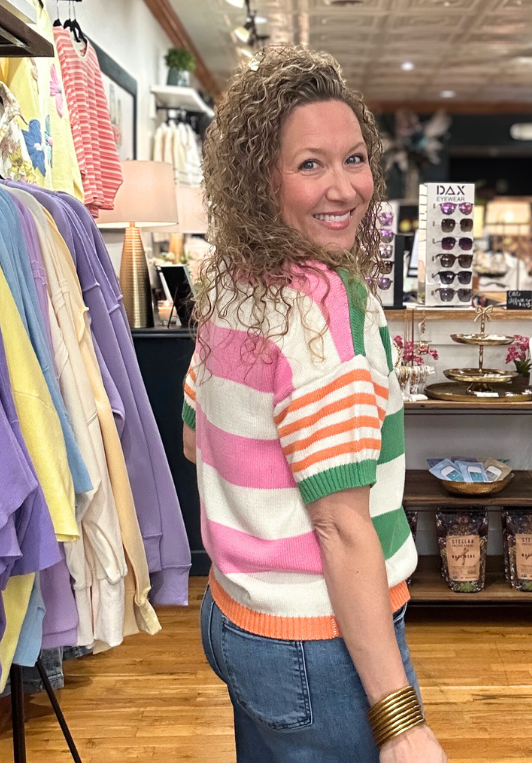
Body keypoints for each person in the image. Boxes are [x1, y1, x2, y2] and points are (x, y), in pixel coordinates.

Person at [182, 45, 447, 763]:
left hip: (235, 615)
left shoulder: (232, 280)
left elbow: (194, 438)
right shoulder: (329, 307)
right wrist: (402, 724)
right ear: (260, 180)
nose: (345, 188)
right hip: (314, 638)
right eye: (310, 164)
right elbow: (339, 526)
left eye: (354, 158)